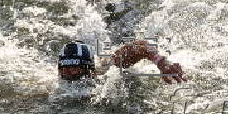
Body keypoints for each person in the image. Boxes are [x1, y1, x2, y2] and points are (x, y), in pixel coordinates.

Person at [58, 39, 187, 85]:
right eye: (64, 69)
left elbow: (141, 45)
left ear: (89, 68)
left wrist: (161, 63)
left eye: (74, 69)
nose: (69, 75)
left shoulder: (108, 68)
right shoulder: (54, 86)